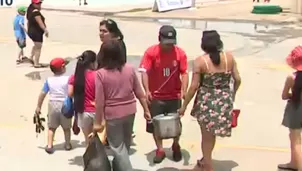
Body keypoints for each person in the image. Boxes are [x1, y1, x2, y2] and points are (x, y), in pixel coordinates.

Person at [178, 30, 241, 171]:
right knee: (212, 135)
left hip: (206, 102)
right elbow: (237, 79)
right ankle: (206, 158)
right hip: (224, 99)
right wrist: (232, 95)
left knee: (206, 136)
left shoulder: (200, 62)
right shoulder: (229, 58)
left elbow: (194, 87)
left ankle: (208, 166)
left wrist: (184, 106)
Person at [91, 40, 150, 171]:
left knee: (117, 147)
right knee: (125, 144)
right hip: (130, 111)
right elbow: (139, 91)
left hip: (113, 114)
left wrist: (97, 122)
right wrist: (146, 109)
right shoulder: (129, 69)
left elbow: (99, 101)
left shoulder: (101, 74)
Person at [138, 25, 189, 164]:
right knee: (156, 124)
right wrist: (147, 90)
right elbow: (144, 72)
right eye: (166, 43)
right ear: (159, 39)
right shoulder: (151, 52)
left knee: (176, 123)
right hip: (156, 96)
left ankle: (176, 145)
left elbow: (184, 73)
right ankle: (159, 149)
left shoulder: (180, 54)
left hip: (174, 95)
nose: (169, 46)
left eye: (172, 43)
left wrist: (184, 89)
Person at [35, 58, 72, 154]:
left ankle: (50, 145)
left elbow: (42, 93)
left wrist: (38, 106)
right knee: (66, 128)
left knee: (51, 127)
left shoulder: (49, 80)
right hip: (65, 105)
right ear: (63, 67)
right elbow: (71, 92)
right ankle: (67, 144)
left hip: (52, 104)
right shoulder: (68, 79)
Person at [278, 46, 302, 171]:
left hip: (296, 108)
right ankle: (294, 163)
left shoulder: (292, 78)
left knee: (295, 140)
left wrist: (292, 95)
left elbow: (284, 95)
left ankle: (298, 166)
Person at [68, 50, 97, 146]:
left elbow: (70, 93)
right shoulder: (98, 75)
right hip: (97, 111)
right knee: (99, 139)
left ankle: (89, 159)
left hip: (83, 112)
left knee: (88, 140)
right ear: (92, 63)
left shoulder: (74, 77)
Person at [27, 0, 49, 68]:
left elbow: (28, 22)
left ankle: (31, 57)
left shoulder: (30, 10)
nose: (39, 5)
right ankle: (36, 63)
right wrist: (45, 30)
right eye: (37, 3)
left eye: (40, 3)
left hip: (32, 31)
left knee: (36, 45)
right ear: (33, 4)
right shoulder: (36, 12)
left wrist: (28, 30)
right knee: (38, 47)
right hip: (36, 32)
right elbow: (40, 23)